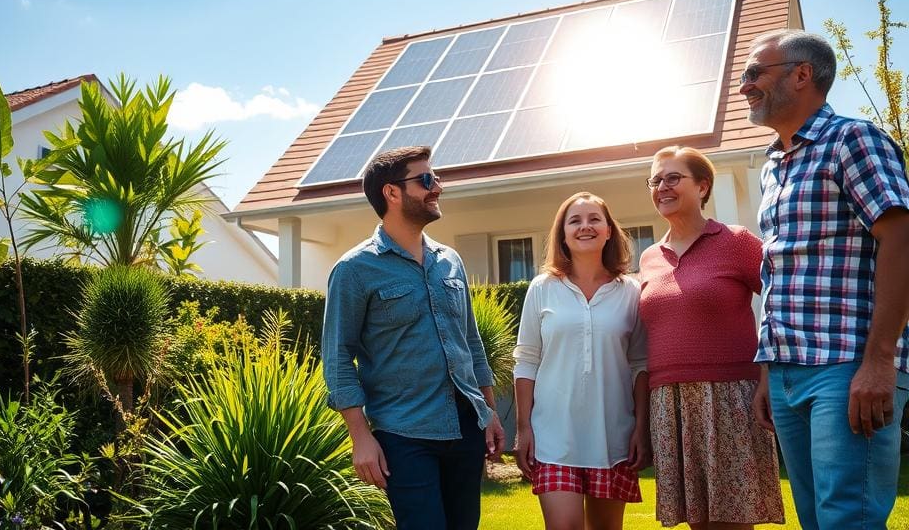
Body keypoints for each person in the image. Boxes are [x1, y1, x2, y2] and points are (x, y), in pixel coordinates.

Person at [741, 29, 909, 530]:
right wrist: (771, 371)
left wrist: (880, 362)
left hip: (848, 365)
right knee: (815, 519)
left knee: (846, 519)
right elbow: (782, 269)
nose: (745, 86)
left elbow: (901, 238)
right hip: (789, 370)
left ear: (801, 74)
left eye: (755, 73)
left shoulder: (852, 140)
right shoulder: (775, 165)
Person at [321, 146, 505, 530]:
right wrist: (360, 436)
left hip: (466, 427)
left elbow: (471, 342)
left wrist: (488, 412)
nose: (437, 187)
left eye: (435, 178)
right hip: (404, 435)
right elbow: (337, 357)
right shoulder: (354, 270)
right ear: (391, 193)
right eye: (426, 180)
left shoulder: (449, 260)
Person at [638, 145, 783, 529]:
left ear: (702, 186)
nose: (661, 186)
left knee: (733, 520)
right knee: (696, 522)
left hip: (730, 396)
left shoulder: (736, 241)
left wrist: (768, 373)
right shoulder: (649, 257)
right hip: (669, 400)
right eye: (655, 180)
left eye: (673, 177)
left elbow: (778, 302)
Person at [513, 192, 649, 530]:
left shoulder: (631, 292)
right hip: (553, 437)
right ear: (562, 234)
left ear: (608, 231)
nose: (584, 226)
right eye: (575, 220)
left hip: (613, 438)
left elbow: (640, 365)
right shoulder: (542, 288)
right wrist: (523, 427)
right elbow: (527, 359)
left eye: (594, 219)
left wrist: (641, 428)